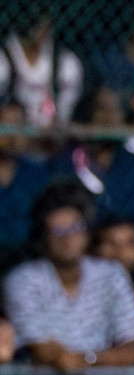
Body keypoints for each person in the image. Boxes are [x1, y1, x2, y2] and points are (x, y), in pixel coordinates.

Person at [3, 182, 134, 375]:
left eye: (75, 228)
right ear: (44, 236)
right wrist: (103, 362)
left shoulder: (112, 275)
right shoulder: (23, 280)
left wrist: (87, 359)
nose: (68, 238)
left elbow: (133, 353)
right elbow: (47, 353)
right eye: (58, 231)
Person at [56, 88, 134, 240]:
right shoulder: (67, 162)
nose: (109, 118)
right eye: (102, 109)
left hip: (126, 245)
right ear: (88, 115)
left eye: (115, 110)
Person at [0, 12, 84, 129]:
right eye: (34, 25)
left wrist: (59, 120)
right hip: (15, 133)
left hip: (49, 134)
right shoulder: (5, 59)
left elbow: (66, 110)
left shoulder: (65, 62)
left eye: (43, 25)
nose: (40, 32)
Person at [0, 100, 48, 260]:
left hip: (28, 257)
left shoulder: (38, 172)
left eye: (17, 125)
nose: (11, 135)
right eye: (5, 125)